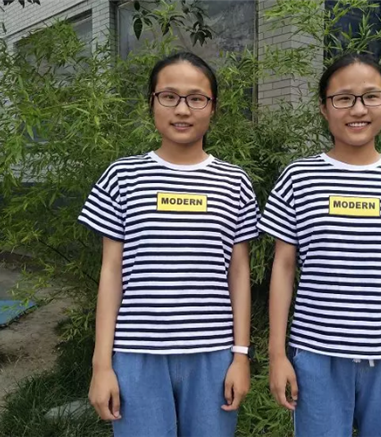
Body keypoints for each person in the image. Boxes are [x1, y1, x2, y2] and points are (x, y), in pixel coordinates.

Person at [258, 52, 381, 437]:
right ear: (323, 108)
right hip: (316, 355)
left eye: (371, 96)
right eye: (344, 98)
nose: (358, 109)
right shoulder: (298, 178)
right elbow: (282, 268)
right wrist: (277, 354)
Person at [78, 52, 259, 437]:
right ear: (152, 103)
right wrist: (101, 365)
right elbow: (111, 272)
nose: (183, 109)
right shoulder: (122, 177)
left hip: (214, 355)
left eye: (196, 98)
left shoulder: (235, 182)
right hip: (136, 355)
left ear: (213, 107)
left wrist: (241, 356)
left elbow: (239, 272)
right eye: (169, 96)